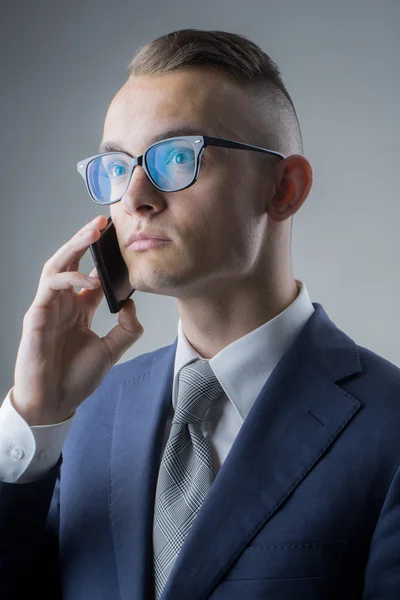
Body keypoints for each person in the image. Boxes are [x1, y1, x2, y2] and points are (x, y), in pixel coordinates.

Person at [0, 27, 399, 600]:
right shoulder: (86, 414)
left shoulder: (389, 429)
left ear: (283, 188)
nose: (135, 196)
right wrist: (35, 419)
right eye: (116, 166)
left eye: (177, 157)